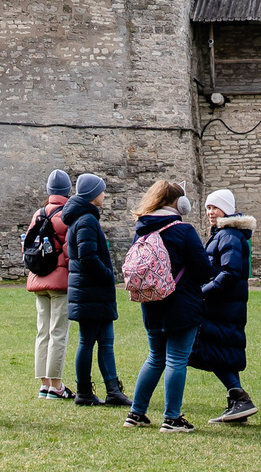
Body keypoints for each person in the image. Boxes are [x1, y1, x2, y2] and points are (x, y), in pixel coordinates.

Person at [126, 179, 214, 431]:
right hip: (181, 302)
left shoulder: (142, 229)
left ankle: (136, 413)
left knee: (155, 357)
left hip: (151, 302)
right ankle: (172, 418)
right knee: (176, 359)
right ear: (179, 203)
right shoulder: (183, 230)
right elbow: (203, 269)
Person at [190, 188, 259, 423]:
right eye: (208, 208)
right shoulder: (222, 233)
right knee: (222, 352)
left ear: (226, 210)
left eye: (215, 208)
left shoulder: (228, 235)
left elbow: (230, 272)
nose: (210, 212)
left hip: (223, 305)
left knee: (213, 351)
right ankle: (238, 402)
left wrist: (202, 293)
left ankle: (240, 398)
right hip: (222, 304)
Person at [61, 172, 129, 409]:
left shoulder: (84, 217)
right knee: (88, 341)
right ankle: (84, 391)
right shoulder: (86, 220)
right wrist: (108, 275)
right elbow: (87, 256)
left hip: (93, 292)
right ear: (92, 194)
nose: (104, 194)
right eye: (101, 190)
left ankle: (113, 391)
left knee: (106, 341)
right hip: (90, 291)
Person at [26, 169, 75, 400]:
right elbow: (70, 249)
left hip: (38, 278)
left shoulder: (38, 213)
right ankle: (56, 385)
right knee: (58, 332)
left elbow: (28, 245)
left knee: (42, 332)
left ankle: (44, 384)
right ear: (67, 190)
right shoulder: (67, 215)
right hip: (60, 281)